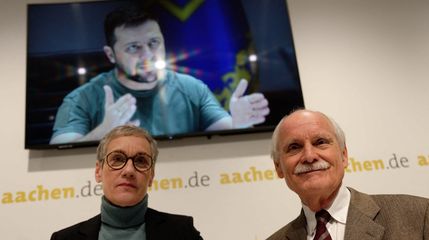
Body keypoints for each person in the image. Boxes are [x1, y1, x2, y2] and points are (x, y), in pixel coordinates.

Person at [50, 4, 269, 144]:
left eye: (154, 43)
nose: (148, 55)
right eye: (134, 47)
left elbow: (226, 129)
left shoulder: (191, 87)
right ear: (111, 54)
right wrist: (103, 132)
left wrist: (239, 123)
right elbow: (59, 149)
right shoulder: (82, 97)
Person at [263, 109, 429, 240]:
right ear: (278, 167)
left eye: (320, 142)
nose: (309, 156)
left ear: (344, 156)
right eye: (294, 147)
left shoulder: (419, 215)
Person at [49, 125, 205, 240]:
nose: (129, 170)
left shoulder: (183, 233)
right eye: (117, 159)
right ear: (98, 171)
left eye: (141, 161)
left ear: (151, 176)